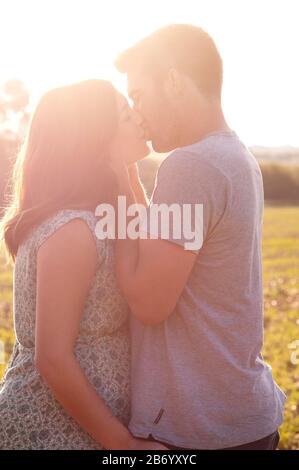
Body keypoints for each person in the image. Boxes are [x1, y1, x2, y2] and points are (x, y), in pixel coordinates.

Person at [111, 24, 287, 450]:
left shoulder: (191, 166)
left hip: (197, 430)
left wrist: (116, 180)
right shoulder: (234, 156)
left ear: (172, 81)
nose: (137, 114)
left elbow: (150, 304)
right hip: (239, 418)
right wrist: (130, 173)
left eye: (138, 95)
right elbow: (159, 246)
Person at [0, 79, 167, 450]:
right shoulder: (72, 231)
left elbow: (143, 242)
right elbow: (53, 358)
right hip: (49, 430)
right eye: (126, 114)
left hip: (83, 428)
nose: (139, 118)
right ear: (97, 137)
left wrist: (126, 178)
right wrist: (123, 445)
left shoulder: (97, 216)